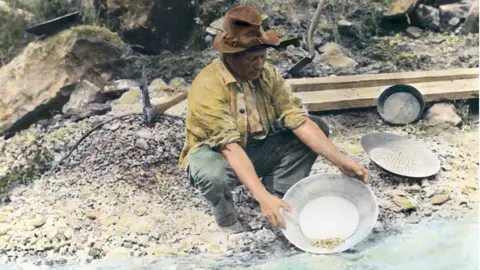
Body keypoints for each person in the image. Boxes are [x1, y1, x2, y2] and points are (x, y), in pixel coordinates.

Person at [178, 5, 368, 233]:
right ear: (230, 56)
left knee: (317, 127)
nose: (260, 64)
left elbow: (296, 119)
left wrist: (341, 162)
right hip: (216, 153)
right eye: (252, 60)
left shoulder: (267, 74)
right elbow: (228, 146)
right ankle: (227, 218)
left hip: (256, 147)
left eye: (263, 57)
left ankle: (278, 193)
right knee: (213, 175)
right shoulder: (208, 85)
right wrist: (261, 197)